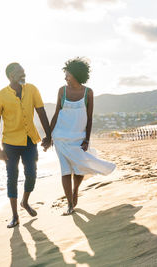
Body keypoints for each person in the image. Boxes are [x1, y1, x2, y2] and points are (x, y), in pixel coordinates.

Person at [49, 57, 116, 215]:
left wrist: (87, 139)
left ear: (76, 75)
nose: (65, 77)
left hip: (79, 137)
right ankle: (70, 204)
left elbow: (90, 117)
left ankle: (75, 190)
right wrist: (49, 135)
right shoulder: (62, 91)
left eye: (67, 74)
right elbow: (56, 113)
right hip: (60, 136)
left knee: (79, 168)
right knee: (65, 170)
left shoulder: (88, 92)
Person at [0, 62, 51, 228]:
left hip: (30, 140)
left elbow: (41, 111)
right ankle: (15, 216)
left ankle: (25, 202)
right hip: (10, 143)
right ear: (11, 76)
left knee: (32, 174)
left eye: (24, 71)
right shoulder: (0, 96)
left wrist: (48, 135)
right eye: (20, 72)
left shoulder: (32, 89)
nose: (23, 74)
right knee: (12, 177)